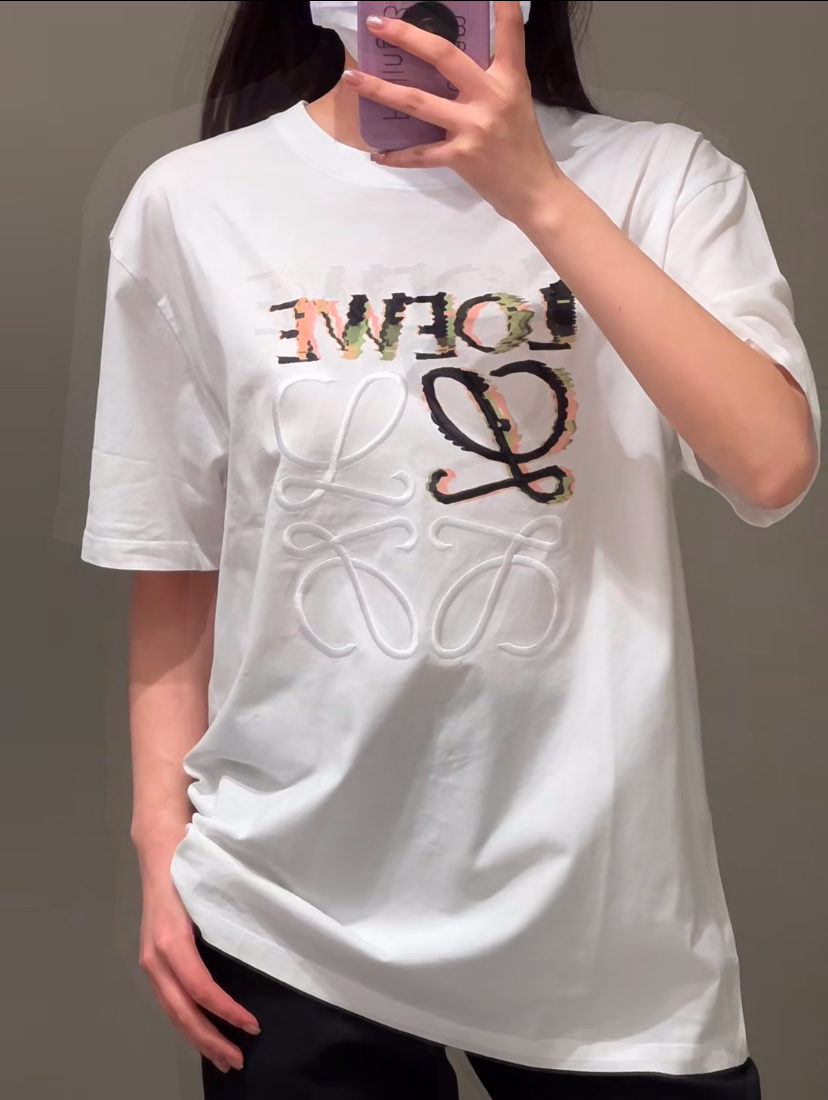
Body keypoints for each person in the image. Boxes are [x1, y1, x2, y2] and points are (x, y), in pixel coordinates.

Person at [80, 1, 820, 1096]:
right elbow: (176, 552)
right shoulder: (192, 205)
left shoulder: (661, 179)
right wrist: (163, 848)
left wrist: (534, 191)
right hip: (286, 907)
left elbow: (770, 464)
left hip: (600, 920)